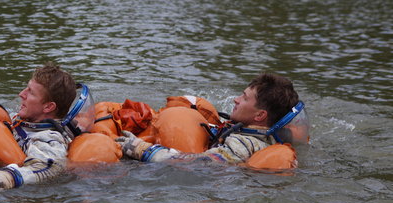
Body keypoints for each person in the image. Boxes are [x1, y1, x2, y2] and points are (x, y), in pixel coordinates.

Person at [116, 73, 302, 165]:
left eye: (245, 98)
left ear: (260, 115)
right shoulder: (271, 134)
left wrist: (143, 150)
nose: (236, 99)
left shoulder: (242, 144)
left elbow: (200, 166)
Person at [0, 63, 78, 190]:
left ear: (48, 107)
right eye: (26, 88)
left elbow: (50, 168)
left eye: (31, 92)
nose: (21, 94)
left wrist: (8, 177)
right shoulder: (23, 121)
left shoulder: (49, 139)